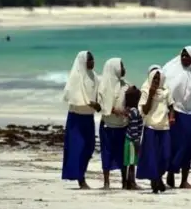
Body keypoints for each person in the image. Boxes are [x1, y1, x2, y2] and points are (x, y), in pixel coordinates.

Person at [163, 46, 191, 189]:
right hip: (175, 111)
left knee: (187, 146)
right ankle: (170, 174)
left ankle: (184, 180)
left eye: (188, 56)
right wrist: (170, 111)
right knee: (174, 145)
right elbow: (166, 90)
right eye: (183, 56)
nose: (185, 59)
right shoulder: (172, 70)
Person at [61, 51, 101, 189]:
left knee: (89, 148)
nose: (92, 62)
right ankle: (80, 178)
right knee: (77, 148)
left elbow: (98, 98)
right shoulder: (75, 77)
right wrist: (85, 102)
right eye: (90, 60)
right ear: (83, 61)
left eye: (93, 59)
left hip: (89, 118)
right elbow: (71, 96)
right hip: (76, 119)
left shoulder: (95, 76)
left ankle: (81, 174)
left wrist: (97, 105)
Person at [137, 68, 175, 193]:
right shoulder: (145, 91)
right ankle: (155, 180)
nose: (156, 81)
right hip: (150, 127)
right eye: (154, 78)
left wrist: (171, 117)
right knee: (152, 157)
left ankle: (158, 177)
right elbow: (145, 110)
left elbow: (171, 106)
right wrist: (151, 95)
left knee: (165, 155)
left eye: (158, 78)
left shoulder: (166, 91)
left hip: (164, 127)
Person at [97, 58, 130, 189]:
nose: (124, 69)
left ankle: (124, 181)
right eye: (121, 66)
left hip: (122, 125)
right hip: (107, 126)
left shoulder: (126, 85)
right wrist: (115, 110)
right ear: (114, 68)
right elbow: (101, 105)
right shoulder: (103, 86)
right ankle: (106, 182)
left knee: (123, 154)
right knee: (107, 153)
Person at [123, 86, 143, 190]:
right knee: (131, 163)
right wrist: (136, 142)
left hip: (128, 139)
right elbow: (134, 128)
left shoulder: (129, 111)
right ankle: (131, 182)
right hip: (132, 140)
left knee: (128, 162)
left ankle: (127, 182)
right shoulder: (135, 112)